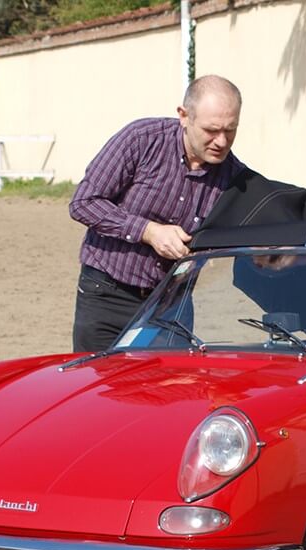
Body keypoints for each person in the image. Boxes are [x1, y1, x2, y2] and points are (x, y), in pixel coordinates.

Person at [68, 74, 246, 352]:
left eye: (230, 130)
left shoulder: (235, 177)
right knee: (99, 390)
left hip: (172, 304)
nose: (221, 141)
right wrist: (148, 231)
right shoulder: (140, 140)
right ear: (184, 116)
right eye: (211, 130)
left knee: (169, 393)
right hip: (105, 295)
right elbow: (83, 202)